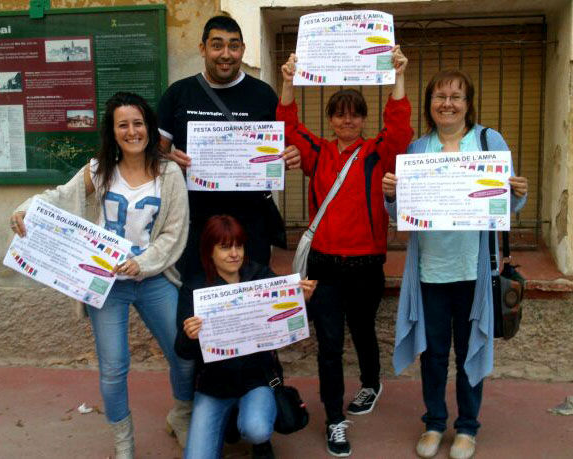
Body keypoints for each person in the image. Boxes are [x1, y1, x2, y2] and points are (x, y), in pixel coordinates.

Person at [9, 92, 195, 458]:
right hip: (105, 283)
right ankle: (123, 441)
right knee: (113, 366)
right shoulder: (99, 170)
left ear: (149, 126)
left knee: (184, 353)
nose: (132, 131)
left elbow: (175, 231)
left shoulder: (169, 173)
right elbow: (61, 197)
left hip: (153, 278)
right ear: (113, 131)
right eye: (122, 124)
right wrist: (26, 207)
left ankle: (182, 415)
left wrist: (144, 263)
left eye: (138, 123)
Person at [383, 69, 528, 459]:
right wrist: (392, 195)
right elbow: (399, 214)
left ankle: (467, 427)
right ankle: (433, 423)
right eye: (439, 96)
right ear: (430, 103)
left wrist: (518, 192)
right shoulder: (416, 150)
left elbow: (507, 206)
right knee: (432, 354)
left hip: (474, 270)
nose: (447, 103)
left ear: (468, 103)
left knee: (469, 351)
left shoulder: (487, 140)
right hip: (429, 270)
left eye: (456, 96)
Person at [276, 47, 413, 457]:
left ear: (363, 119)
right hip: (323, 265)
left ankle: (371, 382)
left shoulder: (378, 153)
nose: (347, 119)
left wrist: (398, 76)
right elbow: (287, 126)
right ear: (331, 119)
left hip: (366, 264)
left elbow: (400, 128)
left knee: (363, 329)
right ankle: (335, 419)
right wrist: (288, 80)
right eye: (339, 113)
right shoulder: (316, 154)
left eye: (355, 113)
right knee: (330, 344)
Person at [157, 15, 301, 281]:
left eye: (233, 46)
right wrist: (167, 160)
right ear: (203, 49)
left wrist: (291, 154)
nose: (226, 54)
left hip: (251, 222)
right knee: (198, 294)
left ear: (243, 50)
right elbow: (153, 155)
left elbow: (284, 147)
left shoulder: (263, 94)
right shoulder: (178, 94)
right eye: (217, 45)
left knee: (251, 295)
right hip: (196, 220)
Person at [175, 215, 316, 459]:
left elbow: (291, 323)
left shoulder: (260, 276)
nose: (234, 254)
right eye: (224, 247)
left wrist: (303, 302)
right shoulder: (195, 288)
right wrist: (190, 335)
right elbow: (182, 351)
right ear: (209, 251)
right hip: (213, 387)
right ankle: (230, 419)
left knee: (257, 429)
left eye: (238, 246)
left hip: (256, 379)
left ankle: (256, 437)